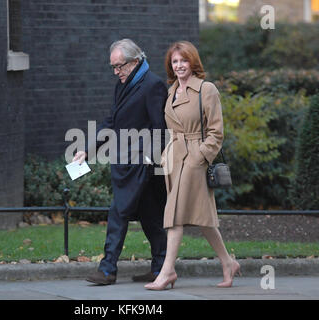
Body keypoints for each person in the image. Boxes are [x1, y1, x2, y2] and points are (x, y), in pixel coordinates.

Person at [144, 41, 240, 290]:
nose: (178, 66)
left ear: (193, 62)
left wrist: (200, 157)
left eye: (183, 61)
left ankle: (167, 272)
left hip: (194, 158)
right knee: (202, 218)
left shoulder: (206, 90)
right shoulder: (171, 90)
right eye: (174, 62)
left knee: (174, 215)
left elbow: (216, 132)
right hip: (174, 158)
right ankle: (228, 262)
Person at [73, 39, 168, 285]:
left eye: (120, 66)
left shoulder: (153, 85)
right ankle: (160, 269)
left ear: (136, 61)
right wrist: (87, 150)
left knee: (118, 212)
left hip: (142, 165)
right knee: (150, 217)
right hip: (126, 162)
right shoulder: (123, 84)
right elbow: (111, 121)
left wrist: (150, 160)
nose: (116, 72)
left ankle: (107, 270)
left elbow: (160, 127)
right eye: (113, 67)